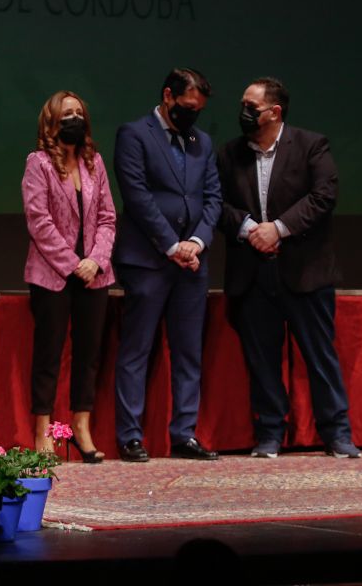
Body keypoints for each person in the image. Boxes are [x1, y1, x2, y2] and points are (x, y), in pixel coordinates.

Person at [217, 76, 360, 459]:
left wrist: (278, 229)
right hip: (253, 272)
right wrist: (250, 229)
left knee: (319, 357)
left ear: (274, 112)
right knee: (262, 359)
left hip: (304, 272)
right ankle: (269, 434)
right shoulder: (230, 154)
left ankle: (337, 433)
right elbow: (215, 204)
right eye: (243, 105)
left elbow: (324, 194)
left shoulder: (311, 145)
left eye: (252, 106)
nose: (244, 113)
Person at [112, 68, 222, 463]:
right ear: (168, 96)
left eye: (199, 109)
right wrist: (171, 244)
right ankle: (130, 435)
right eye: (188, 107)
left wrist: (195, 242)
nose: (192, 114)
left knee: (189, 351)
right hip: (147, 260)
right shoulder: (134, 134)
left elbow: (213, 198)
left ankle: (184, 434)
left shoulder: (202, 141)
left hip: (192, 262)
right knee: (137, 349)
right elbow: (137, 196)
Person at [21, 91, 117, 463]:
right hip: (52, 276)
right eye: (67, 113)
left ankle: (81, 427)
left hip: (96, 275)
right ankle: (42, 431)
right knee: (48, 354)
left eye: (79, 112)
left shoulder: (95, 163)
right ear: (52, 121)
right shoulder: (39, 163)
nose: (75, 118)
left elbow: (108, 217)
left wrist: (95, 260)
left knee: (89, 355)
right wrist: (72, 262)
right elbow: (38, 221)